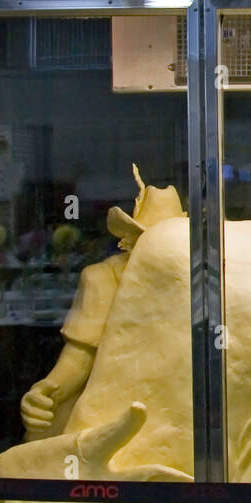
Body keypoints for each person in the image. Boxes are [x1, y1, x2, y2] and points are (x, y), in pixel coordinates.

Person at [20, 167, 185, 441]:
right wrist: (48, 390)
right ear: (131, 239)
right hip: (115, 403)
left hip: (181, 409)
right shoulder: (104, 278)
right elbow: (80, 355)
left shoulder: (201, 278)